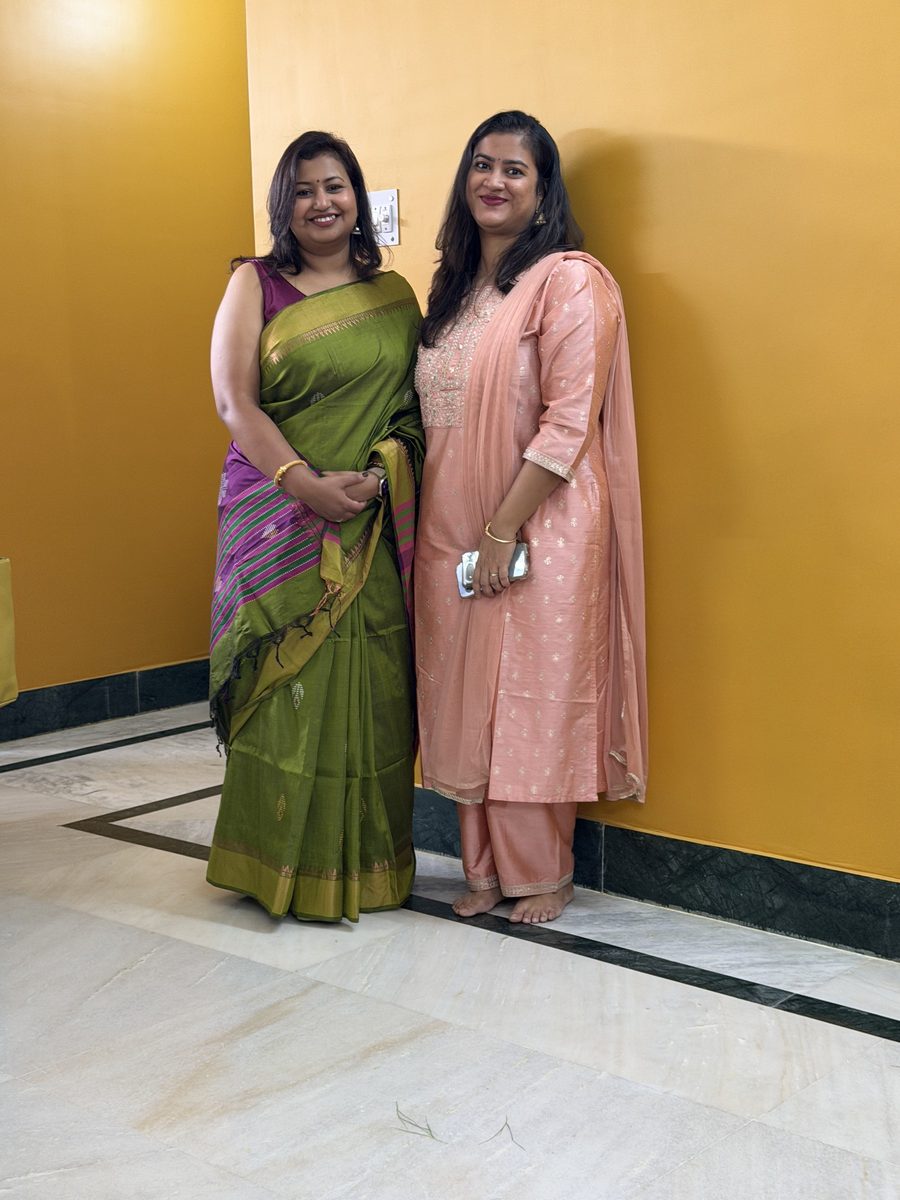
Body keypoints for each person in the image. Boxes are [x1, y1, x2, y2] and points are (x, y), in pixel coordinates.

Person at [415, 111, 647, 925]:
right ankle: (479, 866)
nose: (494, 181)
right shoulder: (451, 290)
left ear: (544, 190)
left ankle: (542, 870)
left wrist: (502, 527)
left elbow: (568, 422)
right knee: (461, 691)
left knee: (527, 693)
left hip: (536, 522)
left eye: (516, 170)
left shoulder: (570, 281)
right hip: (450, 525)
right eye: (481, 164)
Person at [206, 131, 424, 922]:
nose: (322, 203)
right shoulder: (254, 284)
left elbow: (414, 408)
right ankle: (272, 864)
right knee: (285, 687)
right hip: (276, 516)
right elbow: (236, 402)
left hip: (367, 521)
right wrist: (301, 483)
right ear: (282, 204)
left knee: (370, 685)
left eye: (335, 186)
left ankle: (364, 867)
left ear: (357, 197)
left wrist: (377, 474)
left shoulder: (395, 296)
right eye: (303, 190)